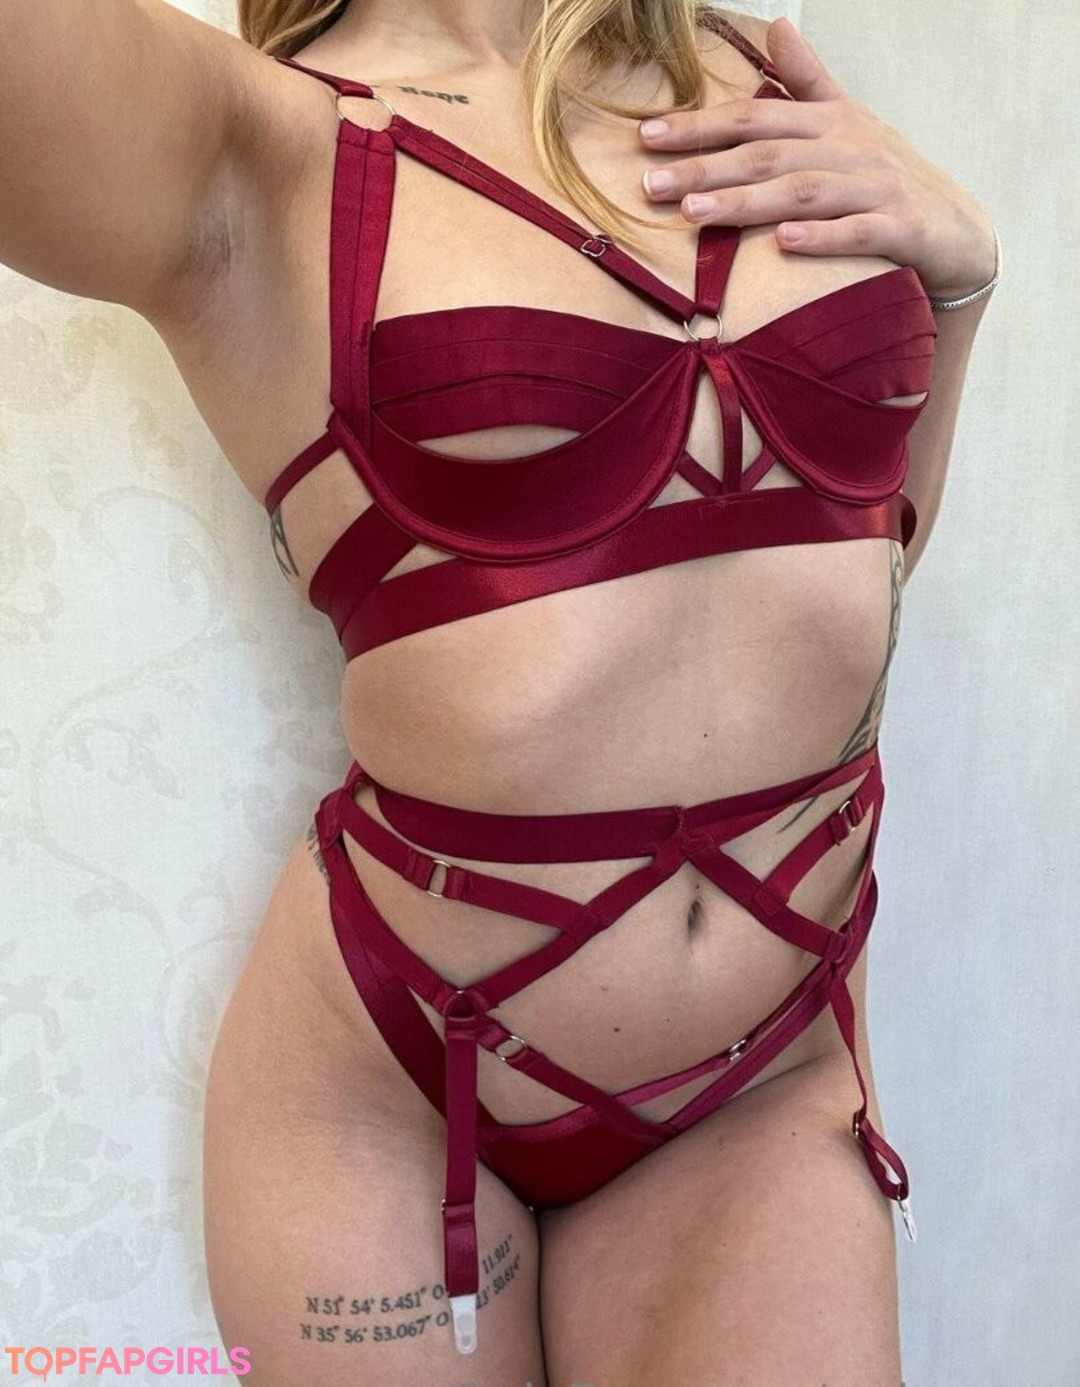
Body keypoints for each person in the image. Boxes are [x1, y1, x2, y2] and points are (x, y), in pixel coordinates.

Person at [0, 0, 998, 1382]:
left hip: (764, 1076)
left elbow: (847, 568)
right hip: (400, 1098)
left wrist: (961, 288)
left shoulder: (757, 79)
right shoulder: (248, 142)